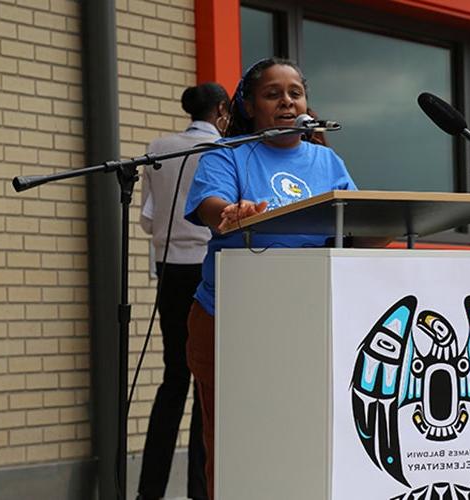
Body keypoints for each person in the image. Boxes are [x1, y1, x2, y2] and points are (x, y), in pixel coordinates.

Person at [184, 57, 357, 500]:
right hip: (231, 319)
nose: (286, 101)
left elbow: (359, 226)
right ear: (248, 105)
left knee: (301, 436)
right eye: (272, 94)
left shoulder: (327, 159)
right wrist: (229, 212)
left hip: (305, 320)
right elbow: (213, 208)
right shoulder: (228, 154)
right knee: (233, 441)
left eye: (295, 92)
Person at [137, 82, 230, 500]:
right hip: (209, 269)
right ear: (222, 111)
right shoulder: (225, 149)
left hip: (168, 269)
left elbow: (146, 218)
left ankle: (149, 490)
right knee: (205, 377)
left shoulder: (158, 146)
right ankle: (199, 489)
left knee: (174, 375)